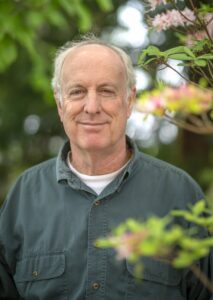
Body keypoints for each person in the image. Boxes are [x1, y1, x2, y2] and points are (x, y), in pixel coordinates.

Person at [0, 36, 212, 300]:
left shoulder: (181, 195)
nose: (91, 107)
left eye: (106, 91)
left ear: (129, 100)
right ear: (59, 104)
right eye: (77, 91)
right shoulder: (23, 198)